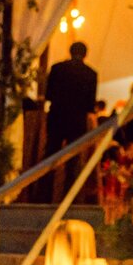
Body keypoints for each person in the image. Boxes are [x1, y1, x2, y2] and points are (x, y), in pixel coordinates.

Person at [42, 40, 98, 200]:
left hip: (57, 117)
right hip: (77, 120)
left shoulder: (57, 69)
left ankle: (44, 195)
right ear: (85, 54)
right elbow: (90, 104)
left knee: (50, 155)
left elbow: (49, 95)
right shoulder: (90, 74)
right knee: (73, 160)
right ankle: (69, 198)